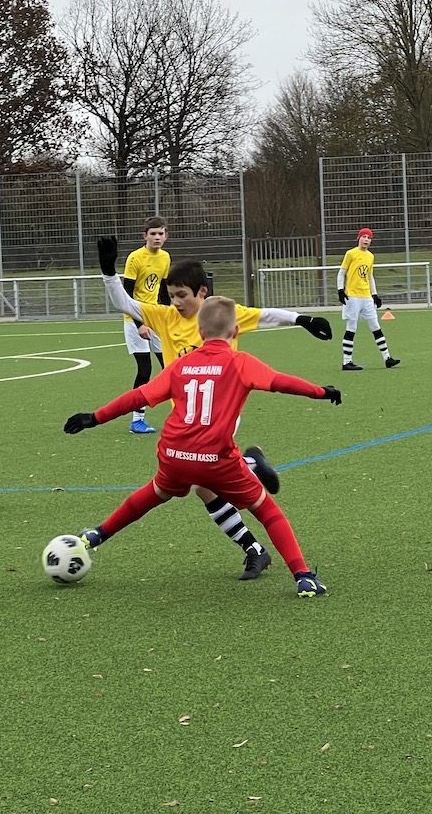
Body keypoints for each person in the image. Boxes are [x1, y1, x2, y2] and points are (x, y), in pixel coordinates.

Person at [65, 296, 340, 598]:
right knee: (267, 510)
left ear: (199, 331)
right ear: (235, 331)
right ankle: (303, 577)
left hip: (173, 455)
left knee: (153, 494)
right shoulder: (240, 362)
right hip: (216, 459)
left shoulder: (181, 364)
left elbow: (139, 397)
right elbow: (280, 382)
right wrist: (321, 392)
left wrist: (94, 417)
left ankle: (97, 535)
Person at [97, 236, 333, 580]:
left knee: (201, 479)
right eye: (171, 295)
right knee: (203, 485)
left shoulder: (223, 315)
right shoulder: (164, 317)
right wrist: (108, 272)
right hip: (187, 415)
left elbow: (266, 316)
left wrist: (303, 319)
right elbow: (124, 302)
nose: (176, 302)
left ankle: (254, 542)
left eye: (182, 295)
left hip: (221, 415)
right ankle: (253, 488)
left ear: (202, 293)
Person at [120, 217, 171, 434]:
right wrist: (139, 324)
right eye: (153, 234)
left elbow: (163, 290)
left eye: (160, 233)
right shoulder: (135, 258)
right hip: (135, 319)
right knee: (145, 369)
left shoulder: (165, 257)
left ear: (166, 236)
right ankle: (137, 420)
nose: (157, 237)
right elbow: (126, 294)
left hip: (155, 317)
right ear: (145, 236)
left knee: (171, 366)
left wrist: (170, 316)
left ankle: (184, 416)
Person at [338, 227, 400, 371]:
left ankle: (387, 358)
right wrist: (340, 290)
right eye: (364, 237)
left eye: (369, 237)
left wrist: (374, 294)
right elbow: (341, 273)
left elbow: (369, 276)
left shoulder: (370, 256)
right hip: (352, 296)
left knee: (375, 326)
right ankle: (346, 362)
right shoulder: (351, 253)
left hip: (366, 297)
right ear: (358, 238)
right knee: (351, 327)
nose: (366, 240)